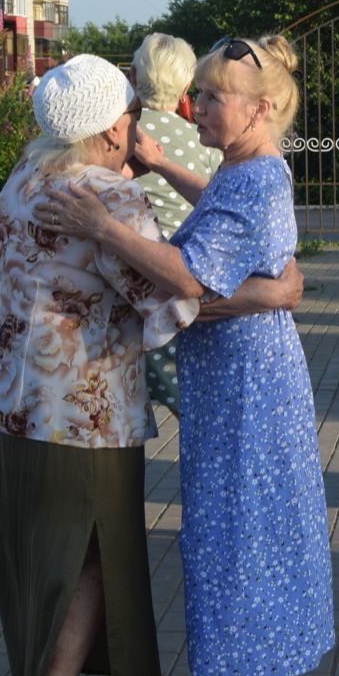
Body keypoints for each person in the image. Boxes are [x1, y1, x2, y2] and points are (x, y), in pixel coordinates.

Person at [0, 54, 298, 676]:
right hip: (76, 410)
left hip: (2, 399)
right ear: (115, 128)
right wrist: (273, 292)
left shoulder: (27, 175)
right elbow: (174, 301)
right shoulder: (105, 200)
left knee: (35, 556)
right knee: (85, 554)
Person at [39, 35, 335, 676]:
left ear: (261, 109)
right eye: (196, 92)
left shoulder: (258, 176)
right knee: (232, 530)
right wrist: (165, 162)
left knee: (244, 535)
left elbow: (187, 276)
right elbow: (225, 220)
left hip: (248, 388)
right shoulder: (242, 168)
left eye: (212, 97)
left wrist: (103, 227)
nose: (195, 107)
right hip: (237, 381)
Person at [132, 32, 224, 412]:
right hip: (183, 279)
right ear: (187, 85)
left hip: (130, 273)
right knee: (190, 402)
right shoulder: (199, 140)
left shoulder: (122, 133)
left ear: (135, 76)